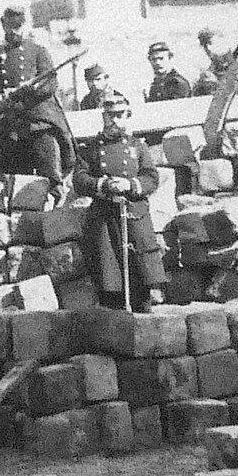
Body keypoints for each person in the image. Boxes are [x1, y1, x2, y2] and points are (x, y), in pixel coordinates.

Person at [74, 93, 167, 312]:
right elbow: (79, 179)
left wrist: (130, 184)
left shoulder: (138, 146)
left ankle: (143, 311)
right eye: (110, 115)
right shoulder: (91, 148)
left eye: (119, 115)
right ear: (103, 117)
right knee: (108, 271)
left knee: (140, 270)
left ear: (127, 116)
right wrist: (103, 185)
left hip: (134, 213)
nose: (114, 120)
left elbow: (151, 177)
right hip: (105, 215)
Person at [0, 6, 73, 182]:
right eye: (10, 27)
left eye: (18, 27)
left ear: (25, 26)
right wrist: (0, 101)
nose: (14, 31)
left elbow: (50, 85)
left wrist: (27, 90)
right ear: (3, 26)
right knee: (13, 178)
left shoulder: (38, 51)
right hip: (12, 124)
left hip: (39, 122)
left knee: (50, 176)